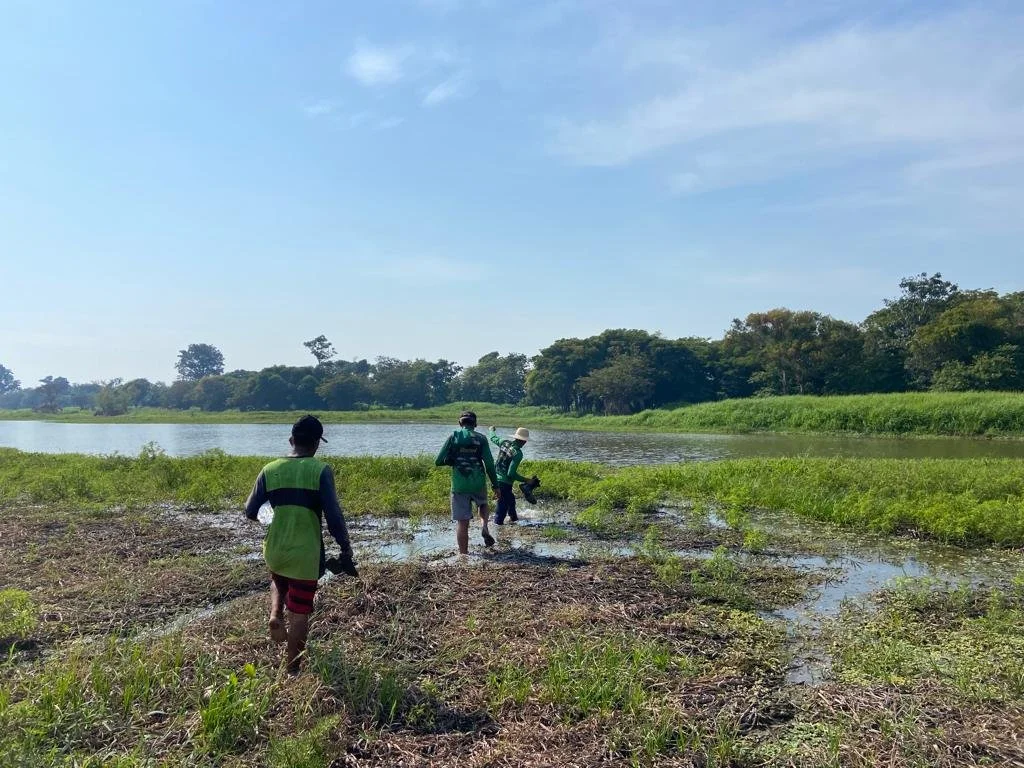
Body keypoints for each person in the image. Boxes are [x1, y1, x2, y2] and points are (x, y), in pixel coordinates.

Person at [244, 414, 356, 674]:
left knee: (278, 578)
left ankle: (275, 614)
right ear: (316, 444)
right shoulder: (320, 471)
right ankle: (293, 669)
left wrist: (274, 515)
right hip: (305, 554)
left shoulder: (269, 469)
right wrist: (345, 546)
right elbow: (334, 516)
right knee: (300, 612)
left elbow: (250, 511)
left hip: (275, 550)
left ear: (291, 440)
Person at [435, 410, 500, 554]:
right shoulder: (481, 438)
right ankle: (484, 526)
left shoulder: (453, 436)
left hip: (459, 485)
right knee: (483, 504)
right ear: (475, 424)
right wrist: (495, 485)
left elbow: (438, 461)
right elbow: (489, 464)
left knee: (462, 523)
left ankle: (464, 555)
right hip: (478, 481)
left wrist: (451, 461)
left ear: (460, 423)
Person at [489, 426, 532, 524]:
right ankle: (497, 526)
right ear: (524, 441)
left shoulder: (504, 443)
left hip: (495, 479)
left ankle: (514, 520)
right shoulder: (518, 453)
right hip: (504, 483)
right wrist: (526, 480)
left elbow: (493, 438)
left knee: (511, 501)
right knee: (502, 507)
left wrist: (491, 430)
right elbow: (510, 474)